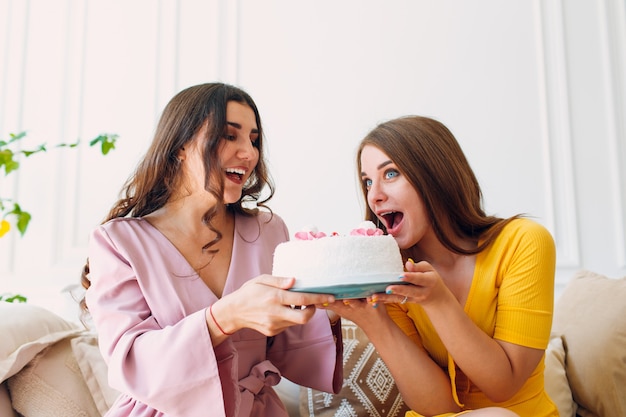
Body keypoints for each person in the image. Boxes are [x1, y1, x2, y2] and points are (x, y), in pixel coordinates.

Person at [80, 82, 342, 417]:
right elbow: (132, 362)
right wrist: (225, 317)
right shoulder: (119, 242)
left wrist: (334, 307)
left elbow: (292, 344)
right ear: (180, 146)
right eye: (229, 136)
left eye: (254, 139)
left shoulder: (268, 230)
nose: (248, 153)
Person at [324, 116, 558, 417]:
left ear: (436, 175)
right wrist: (374, 321)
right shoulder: (390, 271)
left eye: (391, 173)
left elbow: (503, 387)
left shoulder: (523, 242)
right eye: (368, 181)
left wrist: (437, 301)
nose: (374, 195)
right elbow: (437, 407)